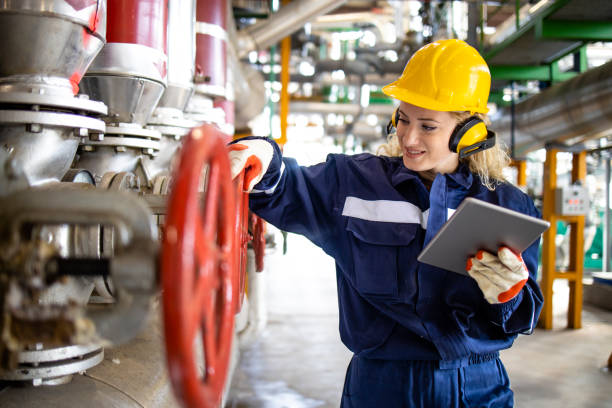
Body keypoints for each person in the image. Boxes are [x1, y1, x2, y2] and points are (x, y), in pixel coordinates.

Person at [229, 39, 543, 408]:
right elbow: (286, 187)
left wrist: (507, 296)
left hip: (477, 387)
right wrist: (263, 157)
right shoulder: (355, 183)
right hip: (381, 388)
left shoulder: (507, 206)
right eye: (403, 119)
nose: (409, 138)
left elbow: (523, 317)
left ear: (469, 132)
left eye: (428, 127)